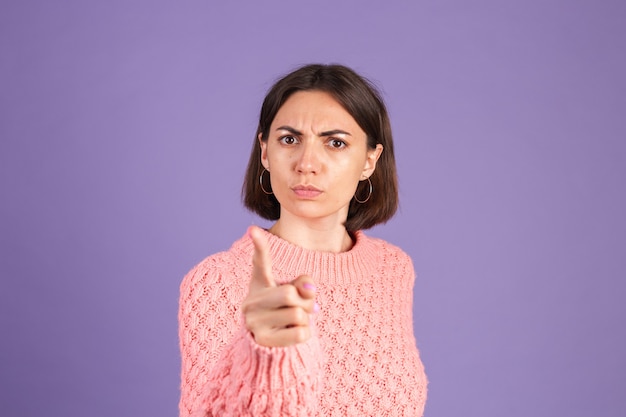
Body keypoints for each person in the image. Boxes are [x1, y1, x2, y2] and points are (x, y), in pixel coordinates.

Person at [178, 64, 428, 416]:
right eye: (290, 139)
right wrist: (263, 354)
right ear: (265, 152)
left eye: (336, 142)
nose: (307, 163)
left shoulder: (393, 269)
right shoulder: (216, 282)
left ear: (370, 161)